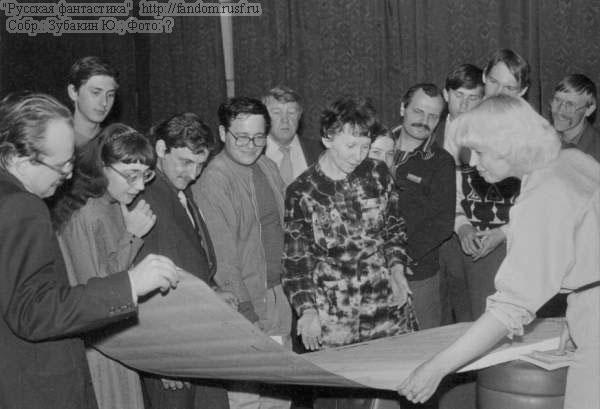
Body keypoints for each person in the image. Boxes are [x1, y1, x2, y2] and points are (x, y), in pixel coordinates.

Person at [398, 94, 600, 409]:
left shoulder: (543, 195)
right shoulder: (570, 160)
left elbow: (510, 308)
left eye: (479, 152)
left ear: (509, 144)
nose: (473, 163)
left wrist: (437, 367)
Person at [0, 92, 179, 409]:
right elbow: (33, 312)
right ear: (18, 159)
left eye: (71, 162)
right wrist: (130, 284)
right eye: (60, 165)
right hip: (38, 387)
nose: (69, 175)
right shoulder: (23, 206)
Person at [283, 95, 418, 408]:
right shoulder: (302, 191)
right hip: (334, 315)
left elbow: (394, 229)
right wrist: (307, 310)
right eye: (350, 146)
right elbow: (295, 261)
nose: (358, 156)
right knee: (341, 399)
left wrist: (397, 269)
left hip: (385, 304)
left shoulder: (378, 173)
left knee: (396, 393)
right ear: (327, 138)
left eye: (364, 146)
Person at [192, 97, 292, 409]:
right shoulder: (214, 180)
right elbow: (223, 259)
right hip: (243, 304)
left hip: (278, 296)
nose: (251, 145)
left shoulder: (267, 166)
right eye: (242, 137)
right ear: (223, 133)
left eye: (259, 137)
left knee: (280, 394)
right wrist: (246, 314)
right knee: (246, 398)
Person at [53, 123, 158, 409]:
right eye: (131, 175)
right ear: (102, 167)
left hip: (116, 337)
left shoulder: (112, 205)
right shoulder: (85, 213)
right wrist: (132, 236)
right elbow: (98, 294)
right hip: (97, 347)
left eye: (146, 175)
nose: (140, 186)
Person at [135, 113, 231, 409]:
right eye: (186, 162)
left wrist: (212, 290)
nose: (193, 174)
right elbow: (143, 287)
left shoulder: (179, 190)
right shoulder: (144, 197)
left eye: (200, 165)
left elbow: (189, 258)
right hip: (172, 352)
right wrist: (162, 358)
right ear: (161, 149)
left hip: (197, 341)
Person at [450, 49, 531, 319]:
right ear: (484, 77)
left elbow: (540, 204)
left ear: (522, 91)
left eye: (510, 87)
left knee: (503, 324)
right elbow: (452, 188)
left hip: (513, 246)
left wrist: (504, 233)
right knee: (463, 323)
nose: (498, 92)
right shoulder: (462, 126)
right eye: (494, 82)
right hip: (467, 242)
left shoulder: (532, 134)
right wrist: (462, 226)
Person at [391, 83, 455, 329]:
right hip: (368, 272)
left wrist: (398, 260)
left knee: (422, 345)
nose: (424, 121)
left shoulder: (441, 162)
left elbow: (442, 224)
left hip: (417, 275)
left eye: (433, 116)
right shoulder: (373, 147)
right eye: (418, 111)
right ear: (402, 108)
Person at [436, 64, 485, 324]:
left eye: (473, 98)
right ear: (446, 94)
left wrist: (464, 225)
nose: (464, 105)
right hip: (434, 241)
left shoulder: (491, 138)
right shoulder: (428, 132)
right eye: (459, 96)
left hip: (475, 237)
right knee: (438, 317)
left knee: (472, 313)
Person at [263, 85, 323, 186]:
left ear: (299, 115)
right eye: (276, 112)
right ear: (264, 117)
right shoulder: (253, 152)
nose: (285, 119)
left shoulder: (319, 151)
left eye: (291, 112)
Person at [67, 56, 119, 147]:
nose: (104, 103)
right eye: (96, 93)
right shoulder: (55, 141)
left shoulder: (114, 145)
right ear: (73, 92)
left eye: (110, 95)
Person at [550, 73, 600, 162]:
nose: (560, 110)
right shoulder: (542, 137)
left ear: (589, 110)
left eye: (570, 104)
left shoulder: (596, 152)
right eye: (557, 100)